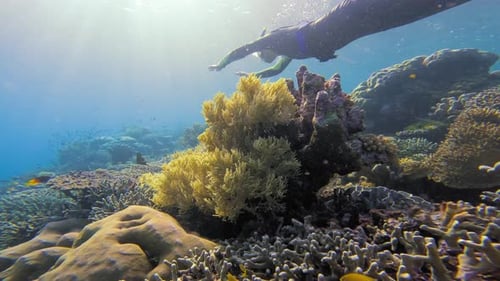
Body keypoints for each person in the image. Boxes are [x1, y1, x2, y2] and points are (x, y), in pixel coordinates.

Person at [208, 0, 471, 78]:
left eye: (260, 54)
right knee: (402, 15)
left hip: (344, 16)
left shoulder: (273, 39)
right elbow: (275, 71)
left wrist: (221, 64)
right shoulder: (285, 54)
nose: (262, 56)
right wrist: (253, 78)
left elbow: (240, 50)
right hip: (355, 30)